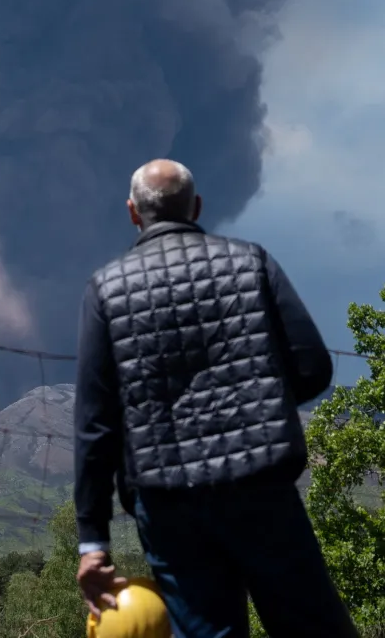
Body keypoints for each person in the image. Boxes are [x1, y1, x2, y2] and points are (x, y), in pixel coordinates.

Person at [74, 160, 357, 638]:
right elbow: (313, 368)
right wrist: (265, 407)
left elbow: (96, 424)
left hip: (169, 505)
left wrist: (92, 541)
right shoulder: (251, 261)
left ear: (132, 212)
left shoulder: (106, 290)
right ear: (196, 206)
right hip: (261, 486)